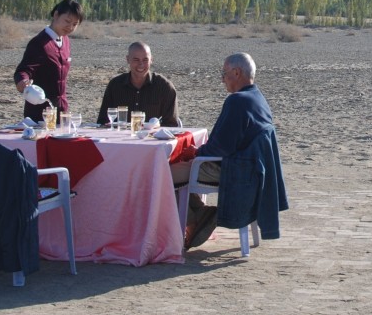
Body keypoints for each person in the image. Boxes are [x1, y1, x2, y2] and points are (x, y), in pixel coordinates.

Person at [173, 52, 275, 248]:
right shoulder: (258, 98)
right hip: (251, 168)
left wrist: (196, 152)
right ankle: (200, 213)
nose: (222, 78)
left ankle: (193, 219)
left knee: (163, 173)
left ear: (236, 73)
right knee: (182, 167)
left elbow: (220, 149)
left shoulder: (237, 101)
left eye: (224, 73)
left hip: (233, 169)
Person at [14, 0, 84, 121]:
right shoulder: (39, 43)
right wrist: (22, 82)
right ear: (56, 15)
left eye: (75, 24)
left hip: (61, 109)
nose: (70, 27)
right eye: (67, 21)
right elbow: (23, 70)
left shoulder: (65, 41)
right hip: (40, 112)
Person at [96, 42, 180, 127]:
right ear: (128, 59)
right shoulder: (115, 85)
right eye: (136, 60)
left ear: (151, 60)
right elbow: (103, 121)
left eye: (145, 60)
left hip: (152, 139)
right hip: (119, 138)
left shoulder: (165, 87)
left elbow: (171, 125)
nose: (141, 64)